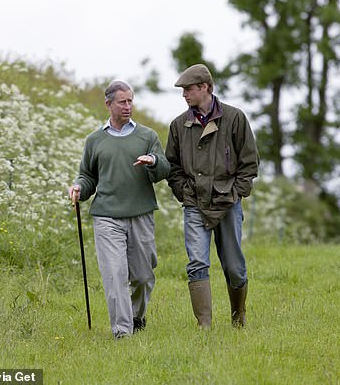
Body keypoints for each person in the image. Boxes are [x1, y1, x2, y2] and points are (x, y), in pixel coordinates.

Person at [69, 80, 170, 339]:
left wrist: (153, 161)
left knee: (143, 276)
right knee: (115, 275)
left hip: (141, 214)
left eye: (130, 101)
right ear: (108, 104)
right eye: (122, 102)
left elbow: (164, 170)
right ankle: (122, 332)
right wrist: (79, 187)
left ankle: (137, 317)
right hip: (107, 217)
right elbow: (88, 176)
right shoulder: (95, 140)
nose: (128, 106)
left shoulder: (147, 136)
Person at [165, 64, 259, 328]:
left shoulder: (235, 118)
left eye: (188, 89)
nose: (184, 95)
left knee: (234, 267)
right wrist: (184, 193)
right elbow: (171, 167)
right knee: (196, 263)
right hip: (194, 204)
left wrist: (237, 192)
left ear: (204, 87)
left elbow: (250, 163)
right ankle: (204, 328)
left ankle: (238, 318)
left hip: (228, 204)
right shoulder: (178, 126)